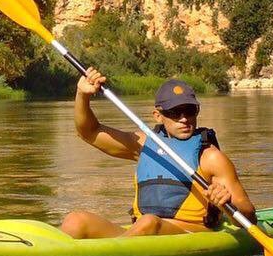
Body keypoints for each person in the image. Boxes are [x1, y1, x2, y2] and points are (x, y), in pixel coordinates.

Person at [60, 69, 257, 239]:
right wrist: (82, 95)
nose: (184, 119)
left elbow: (249, 217)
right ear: (158, 115)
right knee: (75, 220)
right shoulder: (143, 144)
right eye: (175, 112)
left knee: (149, 223)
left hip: (190, 232)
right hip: (142, 231)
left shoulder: (210, 157)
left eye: (190, 111)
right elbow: (89, 132)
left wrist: (226, 202)